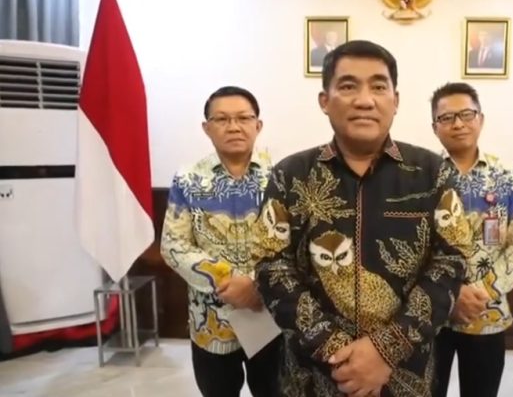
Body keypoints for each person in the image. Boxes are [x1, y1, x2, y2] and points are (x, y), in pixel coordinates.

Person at [250, 40, 472, 397]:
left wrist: (386, 349)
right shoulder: (289, 175)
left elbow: (451, 259)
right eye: (349, 86)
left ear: (395, 101)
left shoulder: (433, 173)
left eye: (379, 87)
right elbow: (270, 265)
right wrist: (337, 352)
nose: (365, 100)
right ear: (325, 100)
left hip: (406, 374)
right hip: (312, 375)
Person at [160, 86, 281, 397]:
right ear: (207, 128)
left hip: (271, 318)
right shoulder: (188, 179)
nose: (234, 126)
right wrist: (228, 280)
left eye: (243, 118)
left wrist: (256, 286)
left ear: (258, 125)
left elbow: (292, 245)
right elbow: (173, 246)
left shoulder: (281, 177)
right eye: (222, 119)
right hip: (210, 323)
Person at [430, 82, 513, 397]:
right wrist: (450, 295)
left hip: (486, 312)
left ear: (481, 119)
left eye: (466, 114)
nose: (458, 124)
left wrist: (483, 291)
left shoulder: (506, 177)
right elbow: (411, 246)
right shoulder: (422, 177)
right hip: (431, 314)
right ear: (435, 127)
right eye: (447, 117)